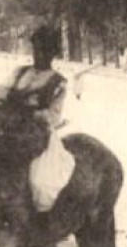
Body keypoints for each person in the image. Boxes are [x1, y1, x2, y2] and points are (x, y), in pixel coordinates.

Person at [7, 24, 77, 214]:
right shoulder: (19, 73)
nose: (40, 54)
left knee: (40, 182)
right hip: (6, 127)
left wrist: (31, 113)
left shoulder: (57, 82)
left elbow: (54, 115)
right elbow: (3, 94)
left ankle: (37, 222)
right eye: (37, 49)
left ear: (53, 53)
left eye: (45, 50)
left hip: (36, 133)